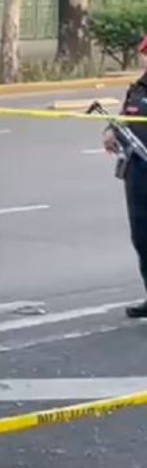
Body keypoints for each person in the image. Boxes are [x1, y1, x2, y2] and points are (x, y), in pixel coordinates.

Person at [103, 35, 147, 318]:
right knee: (142, 237)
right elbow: (125, 118)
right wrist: (110, 132)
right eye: (145, 53)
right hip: (138, 173)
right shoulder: (137, 88)